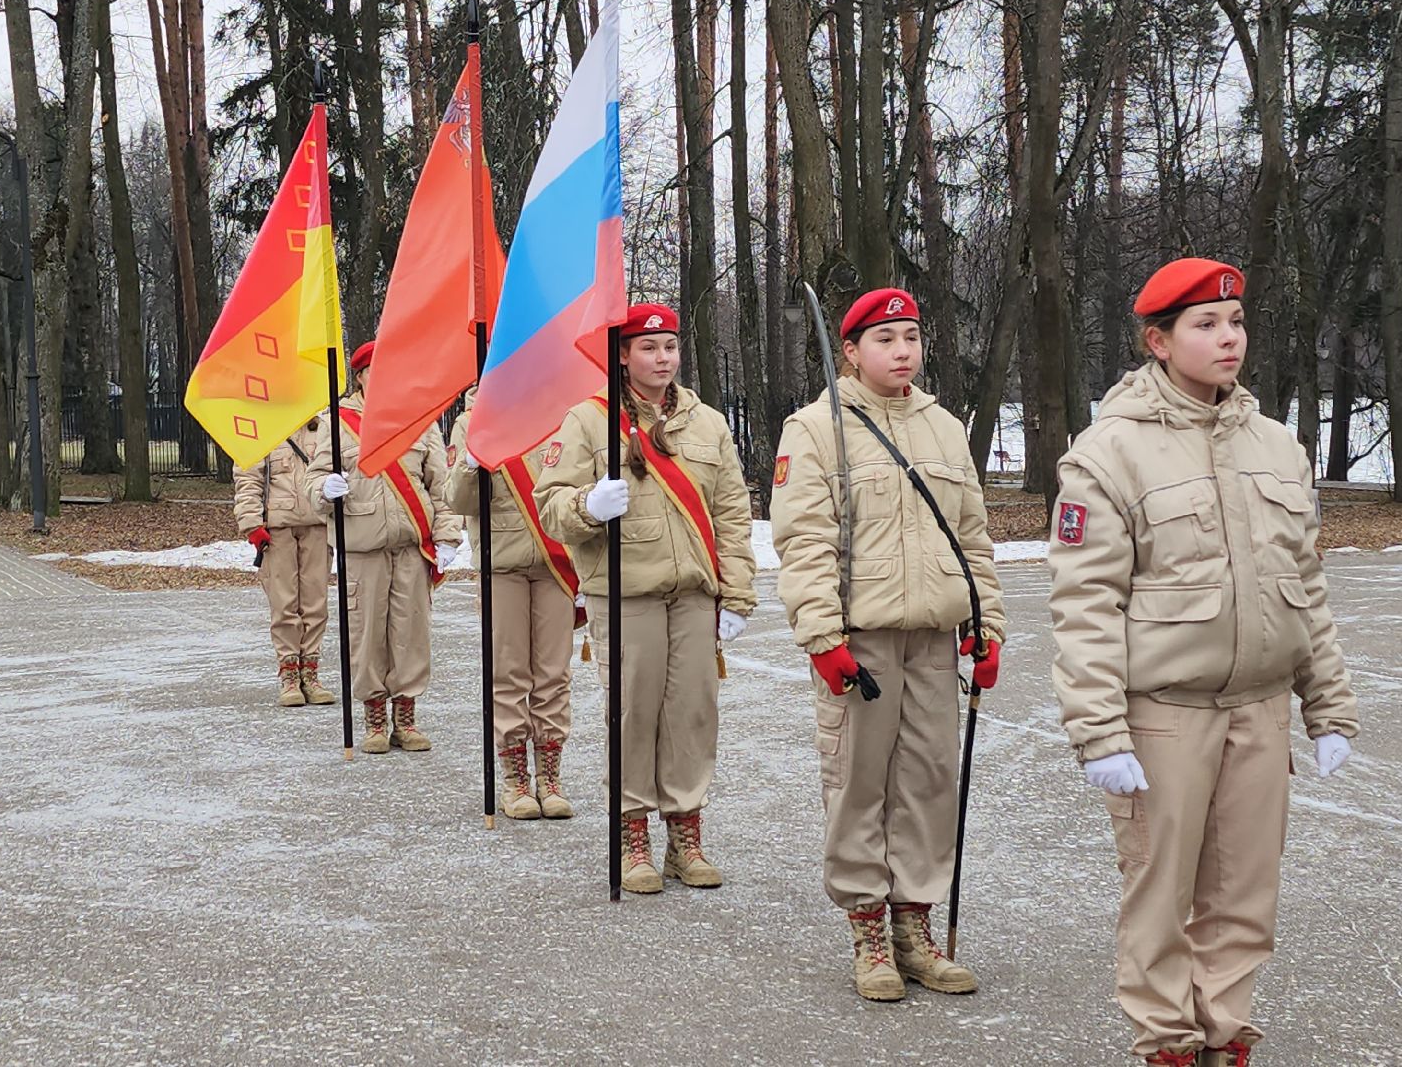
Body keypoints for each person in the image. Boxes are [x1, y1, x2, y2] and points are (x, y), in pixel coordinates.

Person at [1047, 258, 1360, 1067]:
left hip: (1259, 708)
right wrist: (1100, 732)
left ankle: (1225, 1039)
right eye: (1205, 325)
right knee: (1161, 896)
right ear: (1158, 342)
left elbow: (1305, 588)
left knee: (1244, 897)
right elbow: (1086, 605)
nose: (1229, 339)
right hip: (1165, 716)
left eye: (1236, 322)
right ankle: (1167, 1046)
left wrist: (1328, 707)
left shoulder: (1276, 446)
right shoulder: (1109, 454)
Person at [771, 287, 1005, 1002]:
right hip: (861, 641)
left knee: (928, 782)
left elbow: (971, 537)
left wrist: (985, 624)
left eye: (911, 337)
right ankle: (868, 928)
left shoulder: (944, 428)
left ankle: (914, 925)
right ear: (850, 352)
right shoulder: (817, 429)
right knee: (859, 783)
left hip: (933, 637)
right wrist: (821, 635)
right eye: (885, 340)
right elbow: (804, 542)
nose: (903, 351)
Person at [535, 302, 757, 894]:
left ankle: (685, 835)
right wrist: (588, 506)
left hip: (694, 595)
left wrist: (737, 594)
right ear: (623, 355)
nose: (663, 358)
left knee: (692, 715)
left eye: (670, 347)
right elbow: (550, 504)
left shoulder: (708, 423)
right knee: (634, 713)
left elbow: (732, 514)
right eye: (649, 348)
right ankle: (632, 833)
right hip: (625, 591)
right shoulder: (589, 421)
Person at [306, 340, 463, 754]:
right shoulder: (339, 423)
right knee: (366, 634)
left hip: (411, 546)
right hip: (364, 548)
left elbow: (441, 487)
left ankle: (405, 719)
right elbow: (313, 480)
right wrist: (324, 489)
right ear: (360, 377)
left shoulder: (420, 420)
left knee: (411, 633)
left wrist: (447, 535)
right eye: (374, 371)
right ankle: (374, 719)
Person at [444, 386, 584, 820]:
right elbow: (459, 501)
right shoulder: (474, 421)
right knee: (508, 673)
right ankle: (515, 777)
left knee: (553, 674)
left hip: (556, 564)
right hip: (502, 563)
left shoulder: (563, 417)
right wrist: (471, 466)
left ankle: (550, 775)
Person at [232, 418, 335, 708]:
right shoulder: (261, 426)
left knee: (315, 603)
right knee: (284, 603)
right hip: (277, 528)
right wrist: (252, 523)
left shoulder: (324, 427)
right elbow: (248, 477)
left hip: (317, 523)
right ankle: (289, 673)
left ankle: (310, 672)